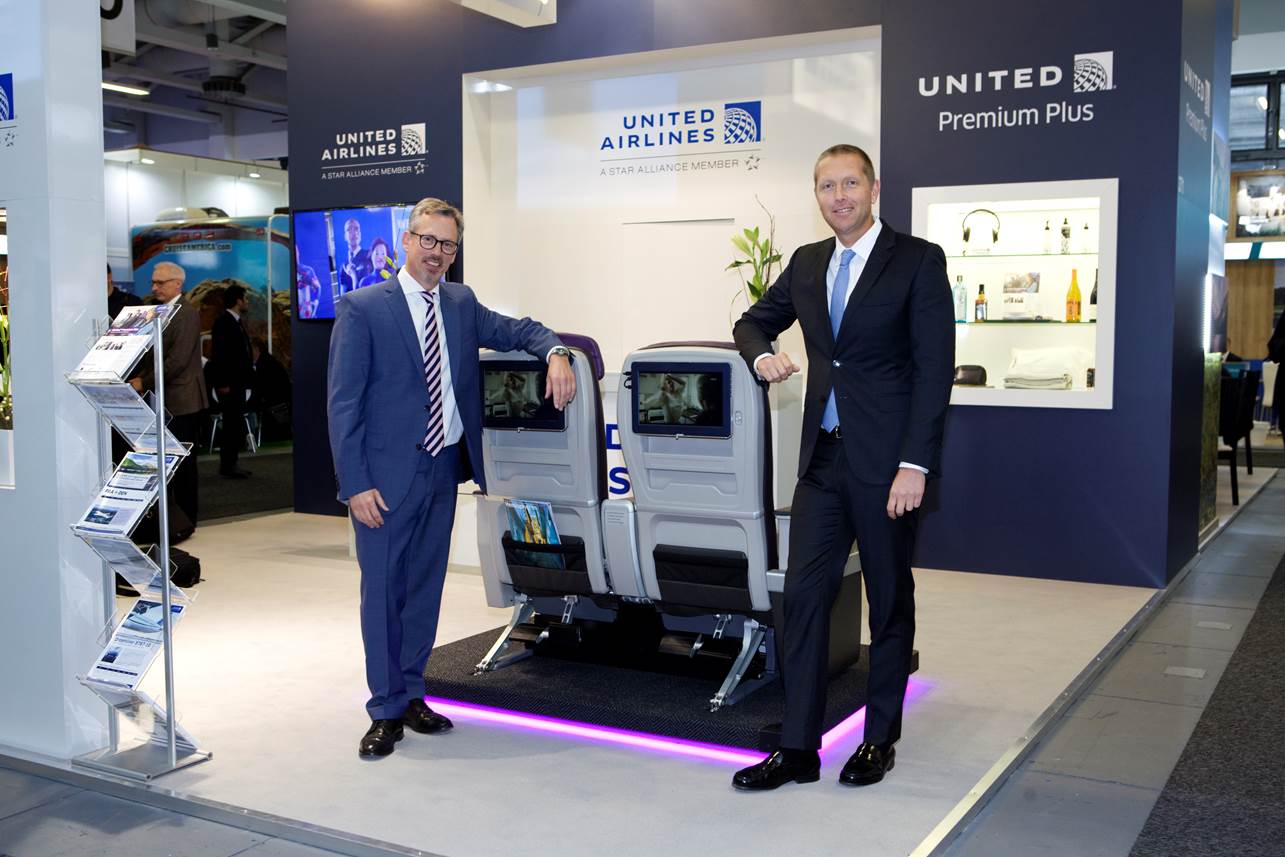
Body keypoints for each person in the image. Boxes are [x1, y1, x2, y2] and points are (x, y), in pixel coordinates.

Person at [730, 144, 954, 791]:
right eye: (826, 186)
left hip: (888, 468)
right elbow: (751, 322)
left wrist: (915, 464)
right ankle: (798, 747)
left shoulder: (917, 260)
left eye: (849, 183)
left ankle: (878, 739)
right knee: (802, 597)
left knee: (888, 602)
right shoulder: (807, 263)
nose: (839, 196)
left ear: (873, 189)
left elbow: (934, 371)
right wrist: (761, 356)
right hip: (823, 462)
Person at [327, 196, 576, 758]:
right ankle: (384, 710)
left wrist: (556, 352)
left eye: (448, 244)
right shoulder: (363, 308)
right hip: (383, 480)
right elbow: (343, 405)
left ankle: (413, 693)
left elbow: (521, 330)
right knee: (382, 594)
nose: (437, 253)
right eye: (428, 240)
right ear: (406, 240)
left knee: (423, 589)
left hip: (444, 469)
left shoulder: (461, 303)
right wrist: (355, 483)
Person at [131, 261, 208, 528]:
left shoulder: (186, 313)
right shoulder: (160, 312)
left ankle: (186, 520)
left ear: (177, 284)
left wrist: (144, 381)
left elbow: (177, 361)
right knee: (166, 464)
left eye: (160, 283)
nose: (154, 287)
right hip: (164, 400)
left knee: (182, 465)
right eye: (153, 282)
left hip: (182, 402)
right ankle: (169, 520)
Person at [210, 285, 256, 479]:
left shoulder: (235, 322)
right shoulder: (224, 322)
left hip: (237, 383)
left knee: (235, 423)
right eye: (245, 298)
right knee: (230, 425)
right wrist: (222, 382)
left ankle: (232, 462)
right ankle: (228, 465)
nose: (247, 302)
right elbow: (219, 354)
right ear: (238, 300)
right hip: (229, 384)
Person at [337, 218, 372, 293]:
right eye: (349, 229)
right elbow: (343, 295)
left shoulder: (370, 256)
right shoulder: (343, 266)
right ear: (345, 236)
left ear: (360, 234)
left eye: (356, 229)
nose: (354, 232)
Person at [296, 245, 321, 319]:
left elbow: (318, 287)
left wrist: (316, 302)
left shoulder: (307, 271)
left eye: (296, 251)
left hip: (307, 315)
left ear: (298, 253)